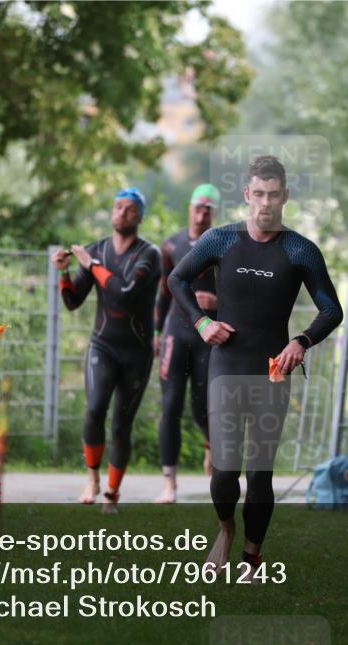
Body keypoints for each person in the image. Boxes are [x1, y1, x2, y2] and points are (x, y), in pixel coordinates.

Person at [168, 155, 343, 574]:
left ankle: (251, 556)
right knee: (225, 471)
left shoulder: (300, 249)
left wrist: (302, 340)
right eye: (258, 194)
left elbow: (331, 310)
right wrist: (201, 321)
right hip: (226, 365)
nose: (265, 203)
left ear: (285, 196)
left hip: (272, 371)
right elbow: (177, 279)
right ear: (247, 194)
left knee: (260, 473)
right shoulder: (220, 240)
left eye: (274, 194)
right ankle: (225, 528)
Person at [50, 188, 161, 512]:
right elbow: (72, 302)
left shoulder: (148, 254)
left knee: (121, 424)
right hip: (104, 345)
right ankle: (93, 479)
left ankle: (112, 491)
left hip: (137, 353)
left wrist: (91, 263)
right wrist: (64, 272)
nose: (122, 213)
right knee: (95, 408)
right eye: (117, 207)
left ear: (139, 216)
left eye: (129, 209)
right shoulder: (98, 250)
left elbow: (124, 293)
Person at [153, 184, 221, 503]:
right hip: (175, 334)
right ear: (190, 208)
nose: (202, 212)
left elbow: (239, 294)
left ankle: (211, 446)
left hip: (207, 338)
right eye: (199, 206)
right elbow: (164, 292)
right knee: (170, 407)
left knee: (203, 406)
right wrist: (156, 332)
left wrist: (217, 302)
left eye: (209, 208)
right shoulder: (172, 245)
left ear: (214, 213)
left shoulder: (224, 246)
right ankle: (170, 483)